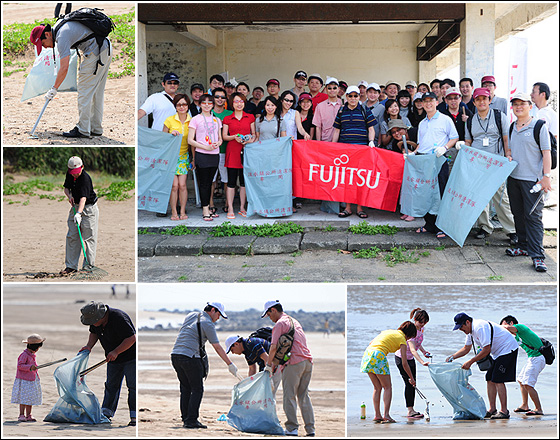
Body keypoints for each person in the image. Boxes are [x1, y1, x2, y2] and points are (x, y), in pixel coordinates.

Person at [30, 19, 111, 138]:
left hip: (96, 51)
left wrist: (54, 89)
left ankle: (83, 129)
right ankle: (96, 128)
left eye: (43, 44)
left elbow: (64, 68)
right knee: (97, 92)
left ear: (47, 34)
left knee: (84, 91)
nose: (45, 47)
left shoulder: (61, 37)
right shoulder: (60, 27)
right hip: (105, 47)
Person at [171, 302, 239, 429]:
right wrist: (230, 364)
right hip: (190, 357)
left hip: (175, 355)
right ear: (213, 310)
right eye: (218, 315)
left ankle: (185, 417)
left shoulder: (191, 315)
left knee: (185, 388)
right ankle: (191, 420)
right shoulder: (208, 324)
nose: (218, 318)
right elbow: (217, 347)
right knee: (197, 389)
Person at [505, 92, 552, 272]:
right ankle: (523, 246)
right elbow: (510, 150)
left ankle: (538, 256)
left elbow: (546, 152)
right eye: (515, 104)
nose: (518, 107)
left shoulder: (538, 126)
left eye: (522, 104)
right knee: (518, 214)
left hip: (532, 181)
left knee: (533, 217)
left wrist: (546, 176)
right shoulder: (512, 126)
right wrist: (508, 156)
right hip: (514, 178)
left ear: (529, 106)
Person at [465, 87, 516, 244]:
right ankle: (485, 227)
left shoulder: (499, 116)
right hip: (478, 164)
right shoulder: (470, 120)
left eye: (484, 99)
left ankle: (511, 230)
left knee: (501, 197)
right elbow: (468, 142)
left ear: (489, 101)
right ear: (474, 102)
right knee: (479, 196)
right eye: (478, 99)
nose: (481, 102)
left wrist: (507, 154)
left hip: (496, 163)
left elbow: (506, 138)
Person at [446, 312, 519, 419]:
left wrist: (470, 362)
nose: (461, 330)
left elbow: (486, 349)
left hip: (508, 349)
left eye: (461, 327)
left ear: (467, 322)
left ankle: (504, 411)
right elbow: (466, 348)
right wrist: (452, 357)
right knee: (489, 378)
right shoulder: (470, 332)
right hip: (497, 353)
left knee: (498, 379)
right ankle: (492, 409)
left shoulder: (480, 327)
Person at [262, 300, 315, 437]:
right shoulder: (294, 321)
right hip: (307, 361)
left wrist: (268, 365)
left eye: (269, 314)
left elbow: (273, 347)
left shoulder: (280, 324)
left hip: (293, 363)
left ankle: (292, 429)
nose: (270, 318)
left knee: (289, 396)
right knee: (304, 396)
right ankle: (310, 430)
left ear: (273, 310)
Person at [79, 301, 137, 426]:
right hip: (113, 358)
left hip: (131, 357)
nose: (92, 324)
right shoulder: (95, 322)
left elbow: (132, 338)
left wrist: (116, 351)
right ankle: (106, 413)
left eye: (93, 321)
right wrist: (89, 346)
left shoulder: (118, 318)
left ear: (101, 316)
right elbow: (94, 333)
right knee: (111, 386)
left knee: (133, 386)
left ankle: (134, 416)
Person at [414, 92, 459, 237]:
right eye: (425, 101)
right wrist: (413, 153)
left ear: (436, 102)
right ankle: (429, 224)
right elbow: (421, 143)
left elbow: (454, 137)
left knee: (440, 193)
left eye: (431, 101)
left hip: (439, 159)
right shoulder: (422, 123)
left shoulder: (445, 119)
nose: (428, 104)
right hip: (424, 160)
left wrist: (445, 148)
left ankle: (442, 226)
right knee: (426, 194)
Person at [332, 85, 377, 219]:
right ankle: (347, 208)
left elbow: (371, 128)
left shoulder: (364, 109)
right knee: (346, 180)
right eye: (350, 96)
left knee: (360, 180)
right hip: (345, 151)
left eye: (355, 96)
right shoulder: (341, 110)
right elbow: (337, 130)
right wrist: (333, 147)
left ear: (359, 97)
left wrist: (371, 141)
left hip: (362, 150)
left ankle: (360, 208)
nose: (353, 98)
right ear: (346, 97)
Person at [361, 321, 417, 424]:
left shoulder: (388, 331)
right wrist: (411, 378)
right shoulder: (402, 340)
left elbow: (371, 343)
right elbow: (404, 363)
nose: (408, 340)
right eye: (409, 337)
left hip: (367, 354)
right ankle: (386, 415)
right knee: (387, 387)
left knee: (377, 388)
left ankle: (377, 415)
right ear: (409, 334)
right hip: (378, 356)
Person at [500, 315, 547, 416]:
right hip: (532, 358)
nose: (503, 328)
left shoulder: (520, 327)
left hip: (538, 358)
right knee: (521, 380)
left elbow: (507, 328)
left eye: (503, 324)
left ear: (511, 323)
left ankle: (538, 409)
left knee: (528, 384)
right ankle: (524, 405)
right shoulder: (516, 337)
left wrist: (497, 327)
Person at [188, 94, 222, 221]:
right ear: (200, 104)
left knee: (211, 182)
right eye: (204, 103)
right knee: (204, 183)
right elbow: (190, 140)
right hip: (202, 155)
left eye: (209, 103)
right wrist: (204, 147)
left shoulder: (217, 120)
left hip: (214, 155)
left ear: (213, 105)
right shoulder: (195, 119)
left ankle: (208, 207)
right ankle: (205, 209)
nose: (207, 105)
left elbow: (220, 138)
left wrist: (218, 143)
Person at [61, 156, 98, 275]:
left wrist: (79, 214)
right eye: (72, 173)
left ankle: (88, 266)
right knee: (72, 236)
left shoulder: (85, 178)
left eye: (76, 172)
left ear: (82, 167)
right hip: (75, 207)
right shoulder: (70, 174)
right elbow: (66, 188)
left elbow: (83, 198)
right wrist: (70, 196)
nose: (74, 175)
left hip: (88, 210)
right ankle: (71, 266)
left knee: (88, 238)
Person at [222, 92, 256, 219]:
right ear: (232, 103)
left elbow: (254, 134)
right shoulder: (227, 118)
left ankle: (242, 207)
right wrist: (234, 137)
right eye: (236, 101)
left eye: (241, 101)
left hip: (246, 151)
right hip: (232, 151)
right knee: (231, 181)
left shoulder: (250, 117)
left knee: (243, 181)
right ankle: (230, 207)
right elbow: (224, 136)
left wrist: (250, 140)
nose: (239, 104)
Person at [394, 309, 432, 419]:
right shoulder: (410, 331)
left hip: (410, 358)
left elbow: (417, 344)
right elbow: (412, 349)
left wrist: (424, 352)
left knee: (414, 382)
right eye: (421, 322)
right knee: (409, 383)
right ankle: (410, 411)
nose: (423, 324)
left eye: (425, 322)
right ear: (415, 320)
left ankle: (411, 409)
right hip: (402, 358)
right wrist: (422, 362)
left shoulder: (421, 329)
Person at [163, 94, 193, 221]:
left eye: (184, 104)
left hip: (184, 156)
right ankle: (174, 212)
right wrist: (171, 134)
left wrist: (194, 159)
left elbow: (193, 143)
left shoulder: (192, 121)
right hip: (170, 157)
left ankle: (182, 211)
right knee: (174, 186)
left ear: (188, 106)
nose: (182, 107)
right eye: (179, 104)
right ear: (175, 106)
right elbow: (162, 139)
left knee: (182, 185)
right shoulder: (169, 120)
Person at [11, 334, 45, 422]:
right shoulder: (24, 355)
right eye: (38, 348)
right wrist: (30, 367)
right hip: (24, 380)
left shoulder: (32, 354)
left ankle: (29, 415)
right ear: (35, 347)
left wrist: (34, 367)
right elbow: (20, 366)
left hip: (32, 379)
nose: (37, 350)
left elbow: (32, 366)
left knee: (29, 398)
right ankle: (21, 415)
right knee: (23, 398)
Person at [210, 87, 233, 213]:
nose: (220, 99)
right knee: (211, 179)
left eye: (222, 97)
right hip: (210, 151)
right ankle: (210, 203)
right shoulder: (207, 113)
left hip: (225, 151)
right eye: (217, 97)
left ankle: (227, 203)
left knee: (226, 179)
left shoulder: (229, 114)